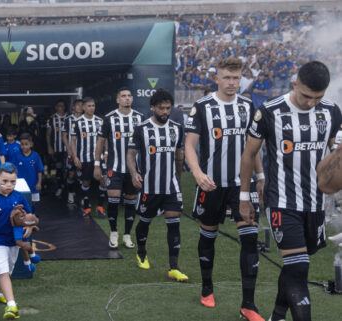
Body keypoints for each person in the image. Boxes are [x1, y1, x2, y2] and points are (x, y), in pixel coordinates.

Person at [240, 61, 342, 321]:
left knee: (294, 267)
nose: (311, 103)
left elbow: (334, 156)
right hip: (282, 202)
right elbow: (249, 154)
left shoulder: (331, 112)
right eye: (306, 96)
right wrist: (244, 197)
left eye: (317, 98)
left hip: (317, 204)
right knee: (299, 271)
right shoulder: (270, 111)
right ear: (295, 84)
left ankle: (276, 316)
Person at [185, 57, 265, 320]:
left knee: (250, 239)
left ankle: (249, 305)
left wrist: (260, 175)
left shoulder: (247, 104)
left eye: (236, 77)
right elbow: (189, 146)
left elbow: (252, 146)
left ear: (241, 78)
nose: (232, 82)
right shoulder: (203, 106)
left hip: (243, 185)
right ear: (216, 79)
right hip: (213, 184)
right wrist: (197, 174)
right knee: (208, 235)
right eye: (227, 78)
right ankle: (207, 287)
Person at [127, 89, 188, 282]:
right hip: (149, 186)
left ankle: (174, 267)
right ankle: (142, 253)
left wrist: (178, 179)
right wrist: (134, 173)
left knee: (174, 222)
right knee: (145, 221)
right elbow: (130, 154)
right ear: (152, 107)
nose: (165, 112)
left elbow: (179, 154)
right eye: (161, 108)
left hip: (171, 186)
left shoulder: (177, 128)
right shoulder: (141, 129)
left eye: (168, 108)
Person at [94, 87, 143, 249]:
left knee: (130, 203)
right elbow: (100, 142)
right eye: (123, 96)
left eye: (129, 96)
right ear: (117, 100)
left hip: (133, 170)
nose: (127, 98)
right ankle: (114, 233)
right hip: (114, 167)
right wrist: (97, 164)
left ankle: (127, 235)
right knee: (113, 201)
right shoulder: (109, 118)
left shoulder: (140, 118)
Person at [0, 162, 31, 320]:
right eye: (5, 181)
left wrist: (29, 228)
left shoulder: (19, 196)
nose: (8, 185)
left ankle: (0, 293)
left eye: (12, 182)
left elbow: (29, 217)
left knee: (7, 271)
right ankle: (12, 305)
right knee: (3, 272)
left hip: (14, 242)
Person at [70, 97, 106, 217]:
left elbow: (105, 139)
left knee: (103, 180)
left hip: (99, 158)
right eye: (89, 106)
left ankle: (100, 207)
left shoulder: (100, 121)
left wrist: (106, 153)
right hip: (84, 158)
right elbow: (73, 141)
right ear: (83, 107)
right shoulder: (77, 122)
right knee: (86, 182)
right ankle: (86, 207)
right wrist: (75, 157)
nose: (92, 108)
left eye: (93, 106)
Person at [14, 133, 43, 213]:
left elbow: (39, 171)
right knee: (20, 203)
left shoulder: (35, 156)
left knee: (32, 202)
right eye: (22, 144)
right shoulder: (17, 156)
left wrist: (39, 183)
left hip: (33, 184)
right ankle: (22, 219)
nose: (24, 146)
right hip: (21, 185)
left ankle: (32, 217)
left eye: (26, 144)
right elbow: (14, 171)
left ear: (31, 144)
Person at [62, 99, 84, 203]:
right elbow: (64, 136)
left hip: (83, 152)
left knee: (82, 175)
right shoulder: (68, 119)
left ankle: (83, 197)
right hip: (71, 152)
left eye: (81, 105)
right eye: (78, 105)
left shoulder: (86, 119)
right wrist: (69, 149)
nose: (80, 107)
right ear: (73, 107)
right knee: (71, 174)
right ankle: (70, 193)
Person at [46, 99, 68, 197]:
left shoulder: (69, 117)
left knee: (68, 169)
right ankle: (60, 187)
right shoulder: (52, 118)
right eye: (59, 106)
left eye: (62, 106)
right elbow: (48, 135)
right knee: (58, 168)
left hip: (68, 149)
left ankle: (69, 188)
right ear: (56, 107)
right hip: (57, 148)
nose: (61, 108)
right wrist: (49, 147)